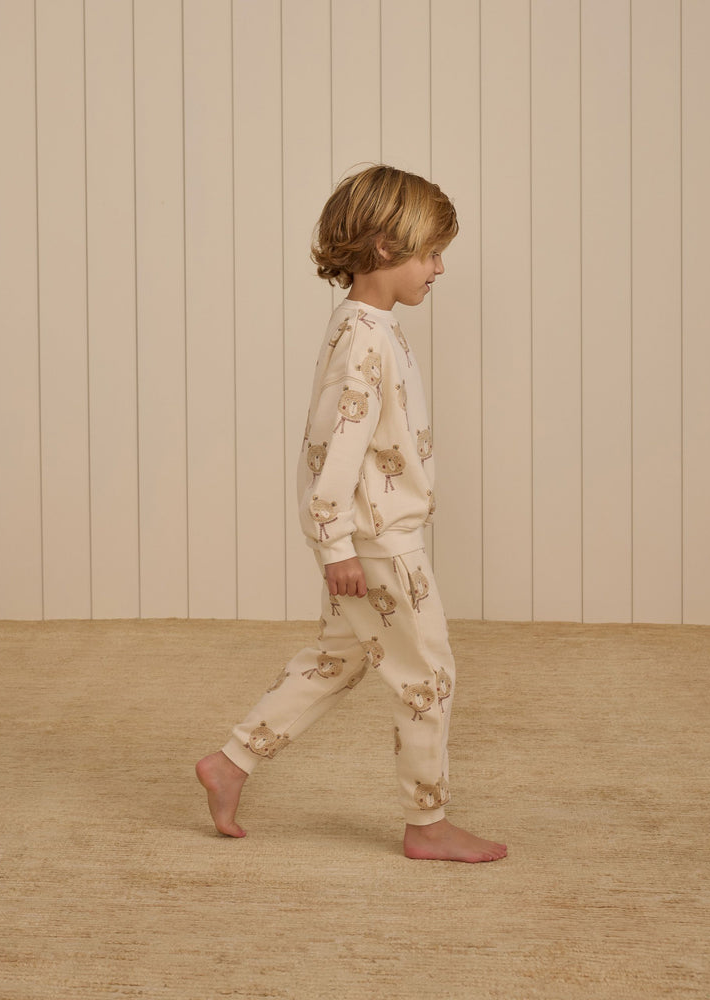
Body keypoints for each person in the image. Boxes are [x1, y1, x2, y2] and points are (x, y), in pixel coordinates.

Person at [196, 165, 507, 863]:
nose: (441, 267)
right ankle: (427, 824)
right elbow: (336, 447)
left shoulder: (367, 326)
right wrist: (336, 542)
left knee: (340, 658)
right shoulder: (365, 337)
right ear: (384, 249)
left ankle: (231, 762)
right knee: (427, 673)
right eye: (431, 253)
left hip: (370, 532)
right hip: (376, 539)